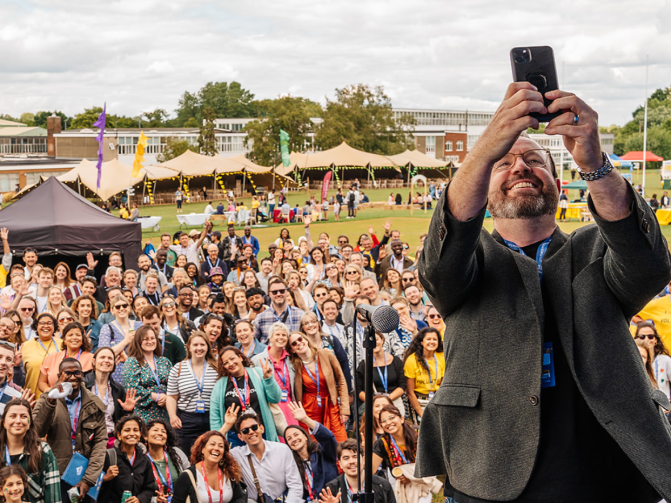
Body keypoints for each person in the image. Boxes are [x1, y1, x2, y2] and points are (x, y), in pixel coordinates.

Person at [416, 82, 671, 502]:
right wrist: (485, 147)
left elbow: (649, 266)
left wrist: (594, 162)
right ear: (483, 183)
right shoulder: (467, 258)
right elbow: (440, 265)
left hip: (606, 472)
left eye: (534, 160)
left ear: (556, 181)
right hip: (488, 471)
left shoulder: (595, 249)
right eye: (504, 162)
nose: (520, 167)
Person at [33, 358, 107, 503]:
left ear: (83, 374)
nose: (73, 377)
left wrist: (89, 479)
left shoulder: (94, 403)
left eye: (77, 372)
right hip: (56, 473)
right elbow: (36, 431)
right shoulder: (47, 398)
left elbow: (100, 443)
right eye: (67, 373)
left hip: (83, 475)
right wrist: (51, 401)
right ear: (59, 375)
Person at [209, 346, 281, 447]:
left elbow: (275, 398)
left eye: (232, 358)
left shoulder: (258, 373)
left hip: (259, 432)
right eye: (225, 363)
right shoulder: (220, 384)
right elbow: (215, 416)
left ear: (240, 357)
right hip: (235, 437)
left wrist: (268, 379)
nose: (230, 364)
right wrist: (218, 439)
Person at [286, 333, 349, 442]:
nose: (299, 344)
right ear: (292, 350)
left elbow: (341, 381)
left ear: (306, 339)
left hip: (331, 405)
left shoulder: (327, 355)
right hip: (310, 409)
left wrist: (345, 409)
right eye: (294, 343)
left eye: (300, 339)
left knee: (340, 441)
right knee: (315, 445)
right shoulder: (293, 365)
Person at [228, 413, 303, 503]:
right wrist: (227, 425)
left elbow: (295, 486)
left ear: (262, 428)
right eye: (245, 430)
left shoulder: (282, 450)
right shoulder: (236, 454)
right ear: (240, 437)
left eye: (254, 427)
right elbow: (214, 450)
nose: (251, 431)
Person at [166, 332, 219, 455]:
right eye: (195, 345)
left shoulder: (217, 367)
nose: (199, 348)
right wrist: (173, 416)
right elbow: (172, 396)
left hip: (210, 419)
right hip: (186, 421)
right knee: (185, 456)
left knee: (208, 456)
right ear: (188, 347)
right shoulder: (178, 368)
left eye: (202, 344)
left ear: (208, 347)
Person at [0, 398, 61, 503]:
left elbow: (54, 497)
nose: (18, 421)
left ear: (29, 423)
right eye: (13, 416)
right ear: (4, 422)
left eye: (24, 416)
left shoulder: (42, 451)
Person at [284, 402, 338, 502]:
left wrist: (305, 419)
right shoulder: (292, 465)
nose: (294, 439)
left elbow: (329, 438)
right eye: (289, 438)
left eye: (296, 434)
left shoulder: (323, 453)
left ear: (305, 437)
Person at [83, 347, 137, 446]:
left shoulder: (117, 388)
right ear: (94, 362)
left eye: (110, 358)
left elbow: (121, 420)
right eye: (102, 357)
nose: (106, 361)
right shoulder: (83, 385)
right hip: (87, 438)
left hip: (110, 438)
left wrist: (127, 411)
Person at [172, 430, 246, 503]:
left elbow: (239, 498)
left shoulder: (229, 472)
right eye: (212, 444)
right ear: (202, 449)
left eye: (221, 446)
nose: (216, 448)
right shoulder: (187, 476)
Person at [251, 322, 297, 432]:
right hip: (270, 406)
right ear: (270, 338)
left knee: (293, 435)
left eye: (284, 335)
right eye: (277, 334)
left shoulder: (292, 360)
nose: (281, 337)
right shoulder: (257, 360)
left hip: (290, 405)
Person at [99, 415, 156, 503]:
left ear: (140, 434)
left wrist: (139, 499)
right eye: (127, 430)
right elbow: (91, 483)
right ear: (119, 435)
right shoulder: (108, 456)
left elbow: (149, 488)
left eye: (136, 430)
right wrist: (105, 478)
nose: (132, 434)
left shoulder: (145, 460)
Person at [122, 326, 173, 423]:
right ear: (138, 341)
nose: (150, 341)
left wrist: (167, 397)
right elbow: (132, 389)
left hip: (166, 412)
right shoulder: (132, 362)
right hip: (144, 414)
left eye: (152, 338)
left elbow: (174, 384)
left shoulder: (164, 361)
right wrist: (156, 396)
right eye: (145, 339)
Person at [321, 439, 395, 503]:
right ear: (340, 464)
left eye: (355, 456)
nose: (351, 461)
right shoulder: (332, 489)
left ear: (363, 460)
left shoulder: (382, 485)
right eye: (346, 458)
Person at [356, 331, 406, 416]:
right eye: (370, 341)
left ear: (382, 340)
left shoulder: (396, 361)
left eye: (376, 340)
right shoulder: (364, 365)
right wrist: (374, 401)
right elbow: (359, 389)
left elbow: (402, 385)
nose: (374, 343)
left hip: (394, 401)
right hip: (374, 404)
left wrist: (387, 399)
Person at [98, 295, 143, 382]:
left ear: (129, 308)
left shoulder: (139, 325)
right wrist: (126, 341)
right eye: (117, 307)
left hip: (139, 371)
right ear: (112, 311)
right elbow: (103, 353)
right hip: (116, 375)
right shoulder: (107, 328)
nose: (121, 308)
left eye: (124, 305)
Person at [38, 322, 94, 392]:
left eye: (78, 335)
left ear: (82, 338)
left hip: (80, 400)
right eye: (70, 335)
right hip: (55, 399)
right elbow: (41, 382)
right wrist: (50, 391)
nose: (74, 338)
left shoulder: (91, 358)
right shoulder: (52, 357)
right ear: (64, 339)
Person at [403, 328, 443, 423]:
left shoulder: (441, 356)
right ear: (421, 342)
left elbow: (443, 383)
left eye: (434, 339)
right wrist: (420, 412)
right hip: (418, 399)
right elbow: (410, 392)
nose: (432, 342)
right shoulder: (412, 360)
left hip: (436, 398)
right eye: (428, 339)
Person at [21, 313, 62, 398]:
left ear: (54, 326)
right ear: (36, 326)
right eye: (42, 323)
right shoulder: (25, 346)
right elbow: (21, 375)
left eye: (49, 323)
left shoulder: (63, 344)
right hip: (32, 399)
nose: (46, 326)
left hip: (57, 397)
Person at [253, 278, 304, 344]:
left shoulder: (300, 314)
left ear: (286, 292)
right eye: (274, 292)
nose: (278, 294)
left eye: (282, 291)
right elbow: (254, 343)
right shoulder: (260, 318)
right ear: (270, 294)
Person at [635, 321, 671, 399]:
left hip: (663, 409)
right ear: (636, 339)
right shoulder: (631, 361)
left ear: (655, 340)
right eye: (642, 336)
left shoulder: (665, 360)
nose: (646, 339)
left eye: (650, 336)